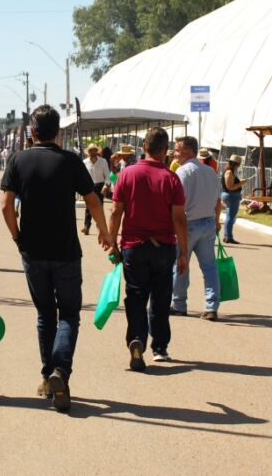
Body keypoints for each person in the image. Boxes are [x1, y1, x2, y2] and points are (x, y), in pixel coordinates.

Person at [1, 105, 113, 412]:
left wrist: (17, 237)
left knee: (44, 315)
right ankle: (60, 372)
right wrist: (104, 232)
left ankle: (47, 375)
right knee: (69, 315)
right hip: (65, 251)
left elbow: (5, 205)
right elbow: (92, 198)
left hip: (33, 252)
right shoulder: (70, 161)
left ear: (33, 132)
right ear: (58, 134)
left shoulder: (18, 160)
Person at [108, 127, 187, 371]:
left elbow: (116, 212)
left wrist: (112, 243)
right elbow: (179, 218)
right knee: (161, 298)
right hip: (164, 247)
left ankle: (137, 340)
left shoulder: (128, 174)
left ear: (143, 147)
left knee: (136, 296)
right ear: (165, 151)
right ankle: (160, 347)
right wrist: (183, 252)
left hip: (133, 247)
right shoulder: (171, 179)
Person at [170, 137, 222, 320]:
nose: (175, 154)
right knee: (209, 267)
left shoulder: (183, 173)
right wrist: (216, 222)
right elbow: (218, 201)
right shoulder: (210, 171)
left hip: (188, 224)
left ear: (189, 152)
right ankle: (212, 306)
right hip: (208, 223)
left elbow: (177, 202)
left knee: (181, 264)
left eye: (178, 150)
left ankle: (179, 304)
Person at [81, 143, 110, 235]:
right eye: (90, 150)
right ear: (88, 152)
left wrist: (107, 185)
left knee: (99, 207)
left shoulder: (103, 161)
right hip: (89, 186)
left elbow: (108, 176)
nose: (92, 152)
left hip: (100, 186)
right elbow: (82, 177)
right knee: (88, 207)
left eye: (94, 150)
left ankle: (100, 227)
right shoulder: (84, 162)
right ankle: (86, 226)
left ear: (97, 151)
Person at [221, 154, 246, 244]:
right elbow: (230, 187)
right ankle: (228, 237)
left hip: (230, 195)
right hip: (231, 195)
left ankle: (227, 236)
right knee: (230, 217)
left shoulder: (228, 171)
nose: (238, 167)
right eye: (238, 164)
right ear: (235, 164)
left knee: (230, 216)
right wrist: (241, 183)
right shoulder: (229, 172)